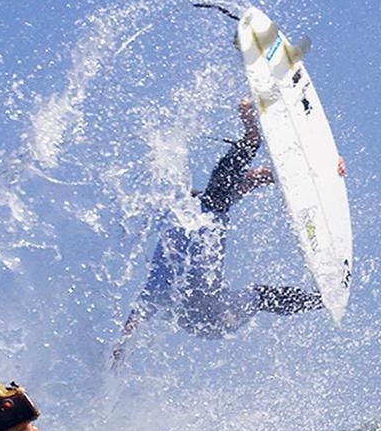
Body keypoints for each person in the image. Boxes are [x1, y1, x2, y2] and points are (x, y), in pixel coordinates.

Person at [114, 97, 326, 353]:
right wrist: (316, 170)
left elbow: (135, 319)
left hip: (205, 322)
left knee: (262, 295)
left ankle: (319, 300)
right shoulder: (203, 213)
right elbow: (248, 180)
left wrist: (115, 358)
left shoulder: (188, 226)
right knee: (222, 191)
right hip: (212, 312)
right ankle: (251, 136)